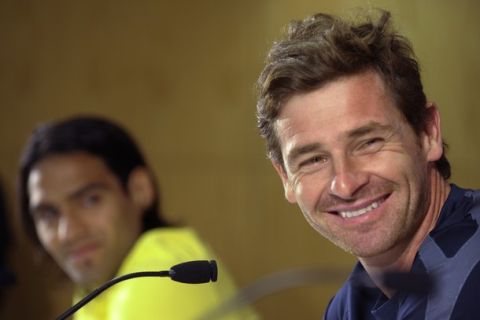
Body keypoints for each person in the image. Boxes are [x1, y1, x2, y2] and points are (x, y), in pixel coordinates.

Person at [256, 9, 480, 319]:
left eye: (369, 143)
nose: (345, 184)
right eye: (314, 159)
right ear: (285, 178)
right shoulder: (351, 303)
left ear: (428, 133)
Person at [18, 116, 258, 320]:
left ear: (139, 190)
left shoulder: (163, 270)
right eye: (49, 215)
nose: (68, 232)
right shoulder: (95, 290)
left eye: (90, 200)